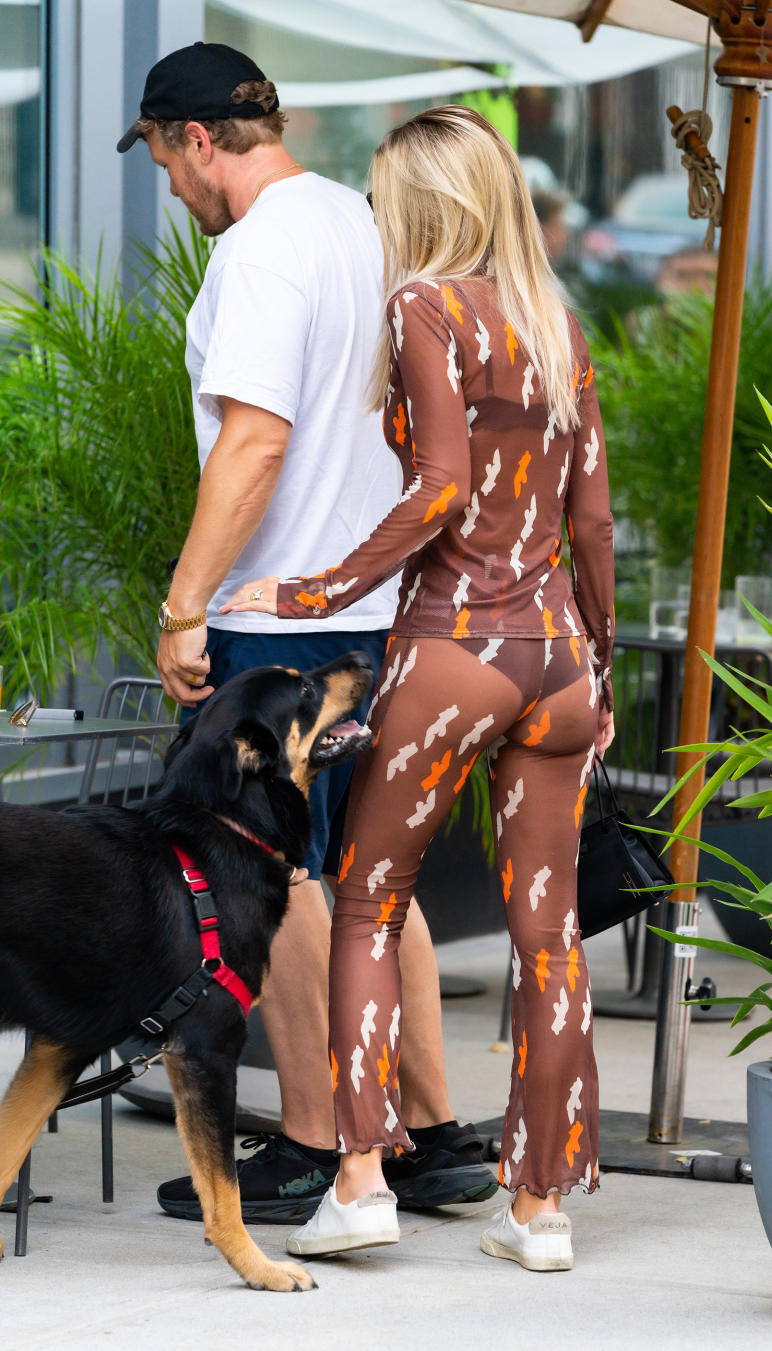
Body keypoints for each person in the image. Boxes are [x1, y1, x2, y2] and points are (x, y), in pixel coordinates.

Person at [224, 105, 616, 1271]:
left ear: (417, 205)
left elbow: (442, 487)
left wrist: (323, 584)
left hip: (456, 643)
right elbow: (591, 515)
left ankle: (359, 1180)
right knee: (550, 935)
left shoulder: (424, 306)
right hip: (557, 657)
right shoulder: (555, 317)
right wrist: (592, 639)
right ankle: (538, 1208)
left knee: (364, 902)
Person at [117, 43, 495, 1221]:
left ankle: (318, 1141)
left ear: (193, 140)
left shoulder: (260, 249)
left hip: (277, 618)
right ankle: (433, 1136)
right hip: (381, 615)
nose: (171, 188)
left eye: (165, 159)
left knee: (271, 882)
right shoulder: (358, 222)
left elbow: (255, 441)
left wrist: (187, 603)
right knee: (378, 881)